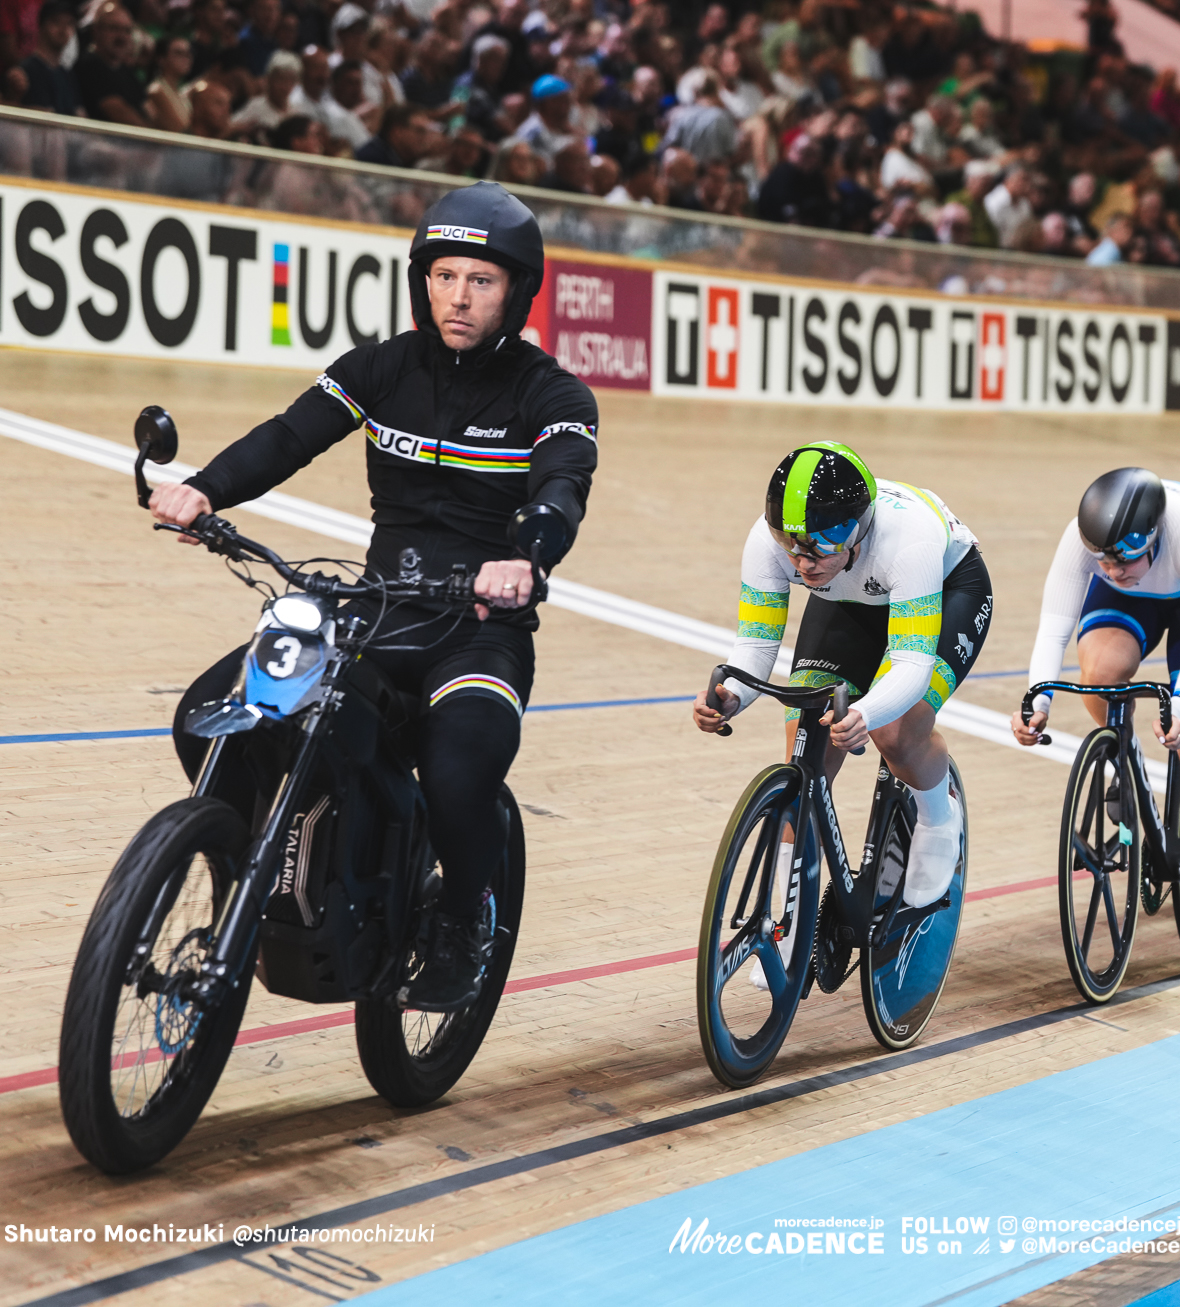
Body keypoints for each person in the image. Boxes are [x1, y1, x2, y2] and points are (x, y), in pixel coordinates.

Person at [149, 183, 598, 1011]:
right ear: (421, 281)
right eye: (445, 276)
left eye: (482, 281)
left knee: (462, 771)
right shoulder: (382, 367)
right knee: (206, 710)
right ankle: (246, 870)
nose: (458, 297)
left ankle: (464, 920)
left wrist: (526, 556)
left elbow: (561, 489)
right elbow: (290, 435)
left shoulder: (552, 395)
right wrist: (204, 489)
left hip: (477, 633)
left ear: (518, 293)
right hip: (373, 613)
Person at [695, 444, 990, 981]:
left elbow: (908, 666)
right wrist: (730, 695)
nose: (802, 563)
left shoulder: (910, 540)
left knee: (898, 734)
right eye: (793, 548)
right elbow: (757, 647)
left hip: (947, 593)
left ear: (857, 529)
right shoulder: (775, 544)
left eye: (818, 550)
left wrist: (868, 712)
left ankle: (937, 819)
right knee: (807, 751)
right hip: (849, 603)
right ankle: (781, 922)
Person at [1012, 470, 1180, 940]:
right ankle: (1126, 764)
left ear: (1154, 535)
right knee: (1099, 677)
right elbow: (1054, 628)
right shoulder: (1087, 543)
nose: (1112, 571)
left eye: (1124, 559)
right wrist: (1037, 699)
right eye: (1102, 561)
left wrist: (1179, 709)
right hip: (1135, 601)